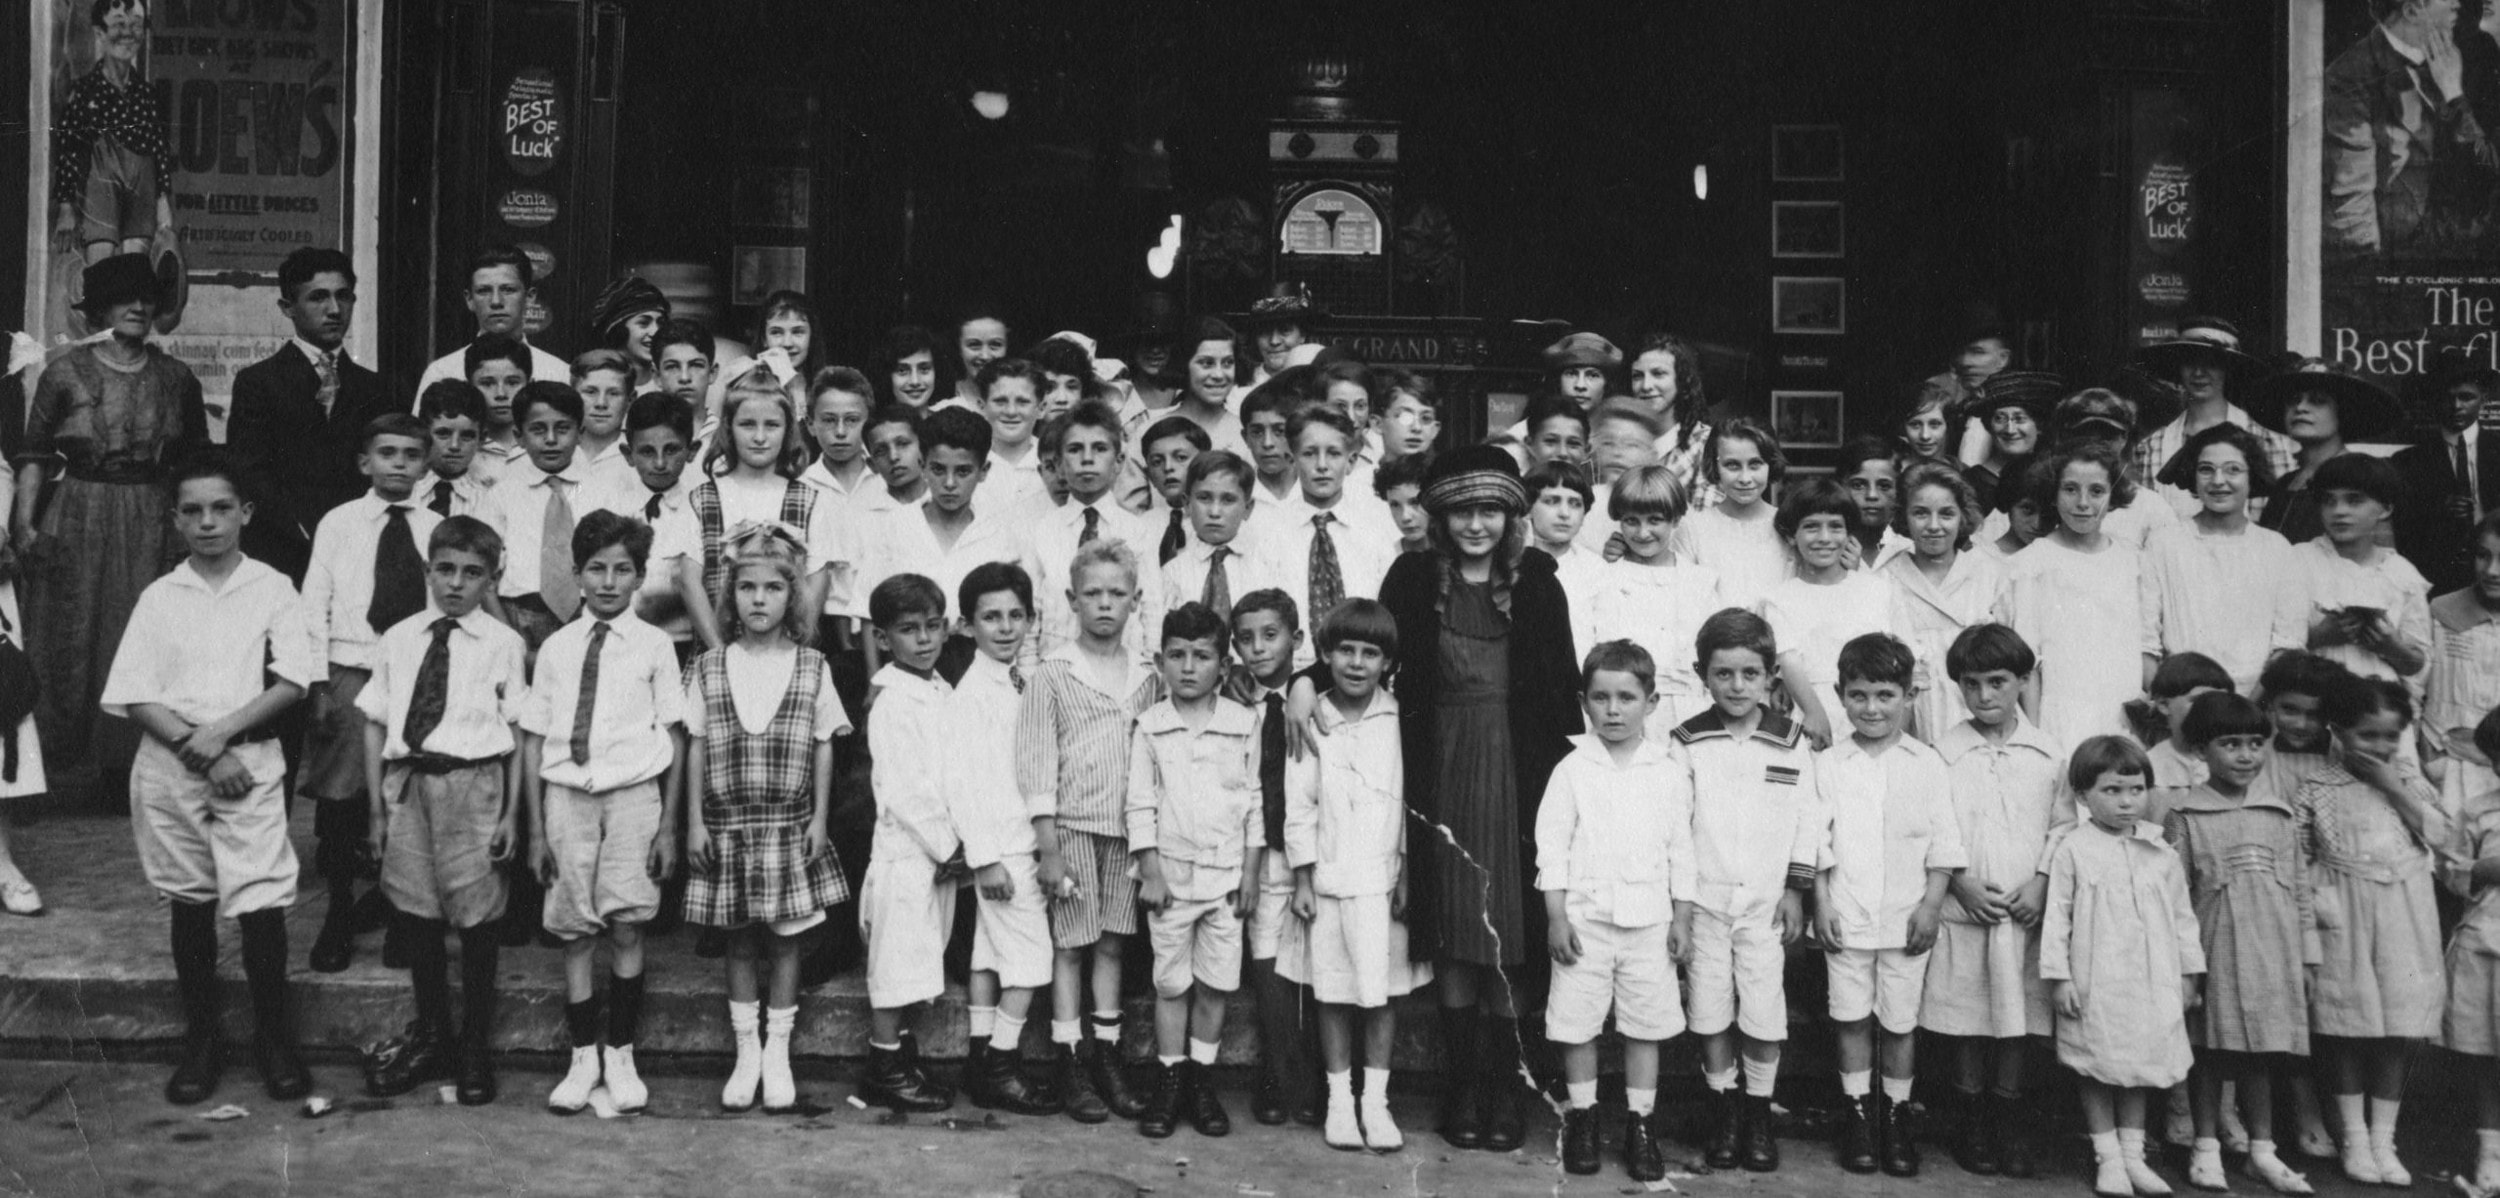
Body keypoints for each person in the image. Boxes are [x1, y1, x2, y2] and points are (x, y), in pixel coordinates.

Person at [1375, 445, 1581, 1154]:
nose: (1476, 524)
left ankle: (1505, 1088)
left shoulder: (1540, 581)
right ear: (1438, 516)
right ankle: (1463, 1084)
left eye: (1490, 509)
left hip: (1518, 774)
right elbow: (1369, 650)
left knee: (1511, 940)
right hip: (1441, 770)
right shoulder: (1410, 577)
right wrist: (1310, 676)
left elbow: (1560, 691)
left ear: (1512, 515)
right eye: (1461, 510)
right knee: (1457, 933)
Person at [101, 456, 313, 1104]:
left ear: (245, 512)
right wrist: (201, 749)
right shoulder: (162, 596)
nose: (208, 522)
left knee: (260, 902)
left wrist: (225, 736)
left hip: (246, 765)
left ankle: (273, 1038)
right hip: (172, 766)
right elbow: (136, 693)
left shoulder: (272, 586)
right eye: (192, 511)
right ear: (174, 520)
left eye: (221, 508)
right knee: (190, 902)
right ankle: (203, 1039)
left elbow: (294, 678)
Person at [16, 253, 208, 797]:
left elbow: (194, 464)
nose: (139, 307)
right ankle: (49, 770)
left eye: (147, 297)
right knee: (66, 635)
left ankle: (123, 769)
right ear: (99, 308)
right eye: (125, 297)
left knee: (135, 635)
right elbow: (34, 455)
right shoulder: (63, 373)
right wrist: (24, 529)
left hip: (150, 513)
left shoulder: (176, 377)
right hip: (76, 513)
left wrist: (188, 530)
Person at [354, 516, 529, 1106]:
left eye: (472, 573)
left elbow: (517, 730)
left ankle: (473, 1043)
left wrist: (509, 814)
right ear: (428, 570)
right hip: (408, 786)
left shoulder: (504, 644)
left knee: (476, 919)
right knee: (417, 914)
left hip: (473, 786)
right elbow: (375, 720)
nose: (456, 583)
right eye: (445, 569)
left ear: (491, 579)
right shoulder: (399, 638)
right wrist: (378, 810)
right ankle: (434, 1034)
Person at [682, 524, 854, 1114]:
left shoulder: (811, 665)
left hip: (788, 825)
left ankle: (778, 1053)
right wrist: (694, 824)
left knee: (786, 944)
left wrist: (818, 820)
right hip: (728, 826)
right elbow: (697, 745)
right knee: (737, 943)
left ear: (791, 597)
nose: (759, 599)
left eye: (773, 589)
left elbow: (824, 743)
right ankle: (746, 1052)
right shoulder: (710, 665)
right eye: (747, 589)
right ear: (731, 598)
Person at [522, 510, 684, 1116]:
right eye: (596, 569)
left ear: (641, 576)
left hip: (634, 795)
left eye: (623, 570)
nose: (609, 582)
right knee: (573, 926)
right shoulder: (557, 649)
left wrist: (668, 822)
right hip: (567, 797)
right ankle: (582, 1053)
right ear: (576, 574)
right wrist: (536, 828)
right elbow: (535, 738)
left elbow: (675, 733)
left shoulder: (655, 646)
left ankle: (621, 1051)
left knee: (628, 922)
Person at [1017, 538, 1163, 1124]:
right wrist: (1048, 845)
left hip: (1124, 834)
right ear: (1072, 600)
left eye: (1117, 594)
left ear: (1135, 601)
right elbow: (1035, 760)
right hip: (1072, 829)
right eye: (1093, 594)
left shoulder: (1150, 675)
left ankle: (1107, 1055)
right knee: (1071, 945)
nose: (1105, 604)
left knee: (1112, 943)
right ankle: (1070, 1057)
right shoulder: (1052, 673)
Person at [1538, 640, 1695, 1181]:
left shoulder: (1668, 770)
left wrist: (1682, 917)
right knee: (1578, 1023)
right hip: (1585, 922)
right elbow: (1551, 848)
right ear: (1585, 702)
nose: (1612, 710)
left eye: (1626, 697)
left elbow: (1682, 849)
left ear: (1650, 702)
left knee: (1644, 1027)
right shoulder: (1572, 768)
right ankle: (1583, 1117)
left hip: (1649, 922)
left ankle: (1640, 1124)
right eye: (1601, 698)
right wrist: (1557, 917)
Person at [1669, 607, 1819, 1173]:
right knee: (1708, 1012)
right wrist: (1679, 908)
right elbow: (1675, 827)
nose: (1737, 686)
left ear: (1771, 677)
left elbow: (1808, 818)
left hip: (1763, 906)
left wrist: (1795, 890)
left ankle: (1758, 1110)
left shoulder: (1790, 742)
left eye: (1750, 674)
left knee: (1762, 1012)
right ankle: (1723, 1108)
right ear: (1701, 673)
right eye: (1724, 674)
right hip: (1705, 904)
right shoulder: (1686, 741)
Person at [1814, 633, 1966, 1179]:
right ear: (1840, 695)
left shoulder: (1927, 763)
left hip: (1907, 916)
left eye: (1885, 694)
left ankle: (1895, 1115)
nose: (1872, 708)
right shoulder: (1829, 764)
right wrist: (1821, 904)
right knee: (1852, 1017)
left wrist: (1930, 906)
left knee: (1899, 1022)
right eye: (1858, 695)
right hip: (1848, 912)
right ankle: (1857, 1113)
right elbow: (1818, 841)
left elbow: (1944, 842)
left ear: (1909, 695)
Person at [2160, 692, 2322, 1196]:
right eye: (2230, 744)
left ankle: (2262, 1151)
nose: (2246, 755)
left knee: (2262, 1052)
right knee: (2210, 1051)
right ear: (2201, 751)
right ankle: (2205, 1148)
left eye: (2255, 743)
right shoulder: (2186, 814)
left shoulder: (2279, 815)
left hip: (2272, 952)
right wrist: (2187, 968)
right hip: (2214, 951)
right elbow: (2174, 899)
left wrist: (2307, 957)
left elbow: (2298, 891)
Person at [1921, 623, 2065, 1179]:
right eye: (1972, 684)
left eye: (1998, 682)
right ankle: (1972, 1118)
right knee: (1971, 1021)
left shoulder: (2049, 752)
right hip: (1969, 911)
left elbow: (2062, 825)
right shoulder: (1944, 752)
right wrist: (1959, 882)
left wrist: (2041, 884)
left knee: (2017, 1021)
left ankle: (2010, 1115)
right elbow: (1934, 825)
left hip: (2022, 913)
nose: (1985, 696)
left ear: (2023, 681)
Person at [298, 414, 440, 972]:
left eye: (411, 454)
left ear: (426, 464)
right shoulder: (340, 522)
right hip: (351, 668)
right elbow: (314, 602)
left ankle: (402, 913)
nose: (399, 463)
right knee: (343, 797)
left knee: (407, 794)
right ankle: (336, 912)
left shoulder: (437, 524)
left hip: (415, 675)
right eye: (387, 452)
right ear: (365, 462)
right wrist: (316, 681)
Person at [1284, 596, 1425, 1153]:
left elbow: (1412, 803)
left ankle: (1376, 1102)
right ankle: (1340, 1101)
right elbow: (1300, 804)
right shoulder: (1311, 715)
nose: (1358, 664)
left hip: (1383, 881)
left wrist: (1409, 874)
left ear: (1387, 662)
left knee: (1382, 994)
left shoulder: (1399, 718)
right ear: (1324, 655)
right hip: (1329, 882)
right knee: (1335, 994)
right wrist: (1301, 879)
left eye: (1371, 653)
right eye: (1346, 651)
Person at [2296, 675, 2449, 1187]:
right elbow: (2300, 858)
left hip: (2405, 913)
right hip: (2343, 914)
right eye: (2367, 736)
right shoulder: (2316, 787)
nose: (2380, 747)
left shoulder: (2410, 779)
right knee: (2346, 1029)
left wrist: (2392, 785)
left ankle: (2385, 1140)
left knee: (2397, 1029)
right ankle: (2354, 1140)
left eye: (2390, 736)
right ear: (2337, 731)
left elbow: (2445, 838)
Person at [2041, 735, 2202, 1198]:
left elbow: (2181, 918)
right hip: (2097, 979)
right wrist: (2059, 977)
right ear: (2084, 795)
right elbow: (2058, 917)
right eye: (2112, 791)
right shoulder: (2074, 848)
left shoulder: (2161, 851)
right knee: (2098, 1064)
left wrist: (2190, 975)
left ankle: (2134, 1156)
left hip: (2152, 980)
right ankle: (2108, 1158)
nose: (2127, 802)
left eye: (2135, 790)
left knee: (2139, 1065)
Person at [1125, 602, 1262, 1140]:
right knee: (1171, 985)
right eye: (1177, 656)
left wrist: (1250, 875)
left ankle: (1201, 1081)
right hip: (1172, 885)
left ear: (1222, 667)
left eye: (1201, 656)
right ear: (1160, 661)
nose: (1188, 668)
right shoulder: (1151, 726)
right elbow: (1139, 804)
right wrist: (1151, 871)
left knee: (1215, 985)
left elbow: (1254, 804)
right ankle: (1169, 1079)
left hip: (1226, 881)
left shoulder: (1242, 723)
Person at [939, 563, 1062, 1116]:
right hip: (1004, 849)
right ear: (967, 626)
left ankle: (978, 1053)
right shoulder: (974, 693)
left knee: (988, 957)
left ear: (1032, 620)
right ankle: (1001, 1067)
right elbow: (962, 784)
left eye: (1016, 616)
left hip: (1010, 841)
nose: (1006, 627)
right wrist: (986, 860)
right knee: (1033, 960)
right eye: (991, 617)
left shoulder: (1017, 678)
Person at [855, 573, 963, 1113]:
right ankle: (883, 1064)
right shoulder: (893, 702)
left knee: (923, 952)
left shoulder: (938, 688)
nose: (923, 639)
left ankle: (901, 1053)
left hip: (935, 856)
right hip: (906, 853)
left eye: (932, 626)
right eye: (907, 630)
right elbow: (907, 790)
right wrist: (950, 847)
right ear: (882, 638)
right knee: (896, 963)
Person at [226, 247, 393, 582]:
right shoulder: (259, 382)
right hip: (280, 552)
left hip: (356, 552)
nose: (334, 310)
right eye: (318, 298)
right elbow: (250, 471)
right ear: (288, 308)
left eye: (343, 296)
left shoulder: (376, 388)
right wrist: (304, 530)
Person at [663, 371, 839, 656]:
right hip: (716, 655)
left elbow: (817, 582)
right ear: (729, 428)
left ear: (787, 430)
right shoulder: (702, 499)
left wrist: (788, 654)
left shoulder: (809, 501)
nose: (759, 437)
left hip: (787, 657)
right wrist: (723, 656)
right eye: (747, 425)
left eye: (771, 425)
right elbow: (688, 581)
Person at [849, 406, 1029, 677]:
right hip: (909, 664)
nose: (949, 483)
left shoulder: (999, 534)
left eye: (963, 471)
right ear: (922, 464)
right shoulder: (894, 526)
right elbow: (866, 610)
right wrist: (874, 681)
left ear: (984, 471)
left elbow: (1017, 613)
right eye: (938, 469)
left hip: (980, 664)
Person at [2324, 0, 2496, 261]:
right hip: (2394, 263)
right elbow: (2350, 205)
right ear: (2412, 10)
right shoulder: (2350, 75)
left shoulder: (2461, 57)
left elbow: (2485, 172)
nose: (2457, 4)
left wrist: (2453, 94)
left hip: (2462, 251)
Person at [2141, 424, 2306, 695]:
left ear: (2252, 476)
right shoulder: (2165, 543)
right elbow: (2145, 641)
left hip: (2255, 705)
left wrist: (2250, 709)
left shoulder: (2276, 549)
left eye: (2233, 469)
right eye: (2206, 469)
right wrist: (2171, 705)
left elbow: (2288, 645)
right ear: (2193, 476)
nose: (2218, 481)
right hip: (2183, 700)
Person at [1228, 588, 1309, 1127]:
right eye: (1246, 640)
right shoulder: (1233, 700)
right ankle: (1277, 1073)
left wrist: (1306, 683)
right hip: (1256, 850)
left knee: (1312, 965)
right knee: (1266, 966)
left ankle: (1315, 1076)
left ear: (1296, 640)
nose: (1258, 649)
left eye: (1270, 636)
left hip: (1308, 854)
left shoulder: (1316, 694)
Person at [2009, 443, 2147, 746]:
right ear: (2053, 493)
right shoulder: (2032, 563)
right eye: (2070, 489)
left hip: (2122, 710)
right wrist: (2037, 738)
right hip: (2062, 716)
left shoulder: (2131, 560)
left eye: (2096, 491)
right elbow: (2028, 662)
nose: (2083, 502)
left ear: (2113, 496)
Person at [1759, 477, 1894, 749]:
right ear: (1790, 535)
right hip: (1809, 705)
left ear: (1849, 534)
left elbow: (1895, 658)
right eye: (1811, 527)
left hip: (1869, 707)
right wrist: (1814, 712)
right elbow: (1789, 660)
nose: (1824, 538)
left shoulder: (1876, 590)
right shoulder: (1780, 598)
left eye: (1835, 527)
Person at [1262, 405, 1399, 668]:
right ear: (1292, 459)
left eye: (1334, 454)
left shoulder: (1374, 531)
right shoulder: (1271, 534)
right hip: (1292, 671)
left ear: (1350, 462)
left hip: (1362, 672)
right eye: (1310, 454)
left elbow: (1388, 611)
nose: (1322, 465)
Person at [1588, 465, 1722, 734]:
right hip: (1623, 715)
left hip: (1690, 712)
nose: (1642, 532)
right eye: (1631, 521)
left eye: (1655, 520)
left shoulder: (1700, 582)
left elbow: (1716, 654)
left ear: (1675, 519)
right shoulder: (1604, 578)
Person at [1027, 401, 1163, 664]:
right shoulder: (1043, 531)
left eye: (1099, 449)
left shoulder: (1137, 531)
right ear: (1059, 462)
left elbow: (1152, 609)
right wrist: (1030, 673)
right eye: (1075, 449)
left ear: (1119, 460)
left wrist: (1149, 672)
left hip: (1125, 669)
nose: (1087, 459)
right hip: (1056, 669)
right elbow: (1030, 611)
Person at [1884, 462, 2008, 739]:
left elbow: (2015, 662)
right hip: (1917, 714)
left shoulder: (1989, 574)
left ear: (1963, 516)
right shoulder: (1887, 577)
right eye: (1920, 514)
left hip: (1981, 709)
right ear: (1903, 516)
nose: (1934, 526)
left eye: (1947, 514)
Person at [2132, 317, 2300, 518]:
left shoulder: (2269, 442)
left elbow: (2278, 521)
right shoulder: (2151, 448)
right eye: (2190, 362)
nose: (2199, 373)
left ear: (2228, 368)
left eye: (2211, 363)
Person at [2291, 453, 2432, 689]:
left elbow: (2420, 667)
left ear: (2385, 509)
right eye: (2329, 501)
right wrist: (2321, 636)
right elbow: (2272, 642)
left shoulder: (2402, 574)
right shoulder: (2299, 560)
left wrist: (2390, 646)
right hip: (2313, 698)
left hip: (2379, 706)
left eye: (2354, 500)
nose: (2339, 511)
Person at [50, 0, 173, 266]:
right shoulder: (84, 92)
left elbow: (159, 152)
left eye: (137, 25)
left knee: (134, 273)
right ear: (100, 34)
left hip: (140, 196)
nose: (128, 34)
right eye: (119, 24)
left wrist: (163, 204)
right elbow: (69, 150)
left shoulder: (148, 96)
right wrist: (65, 206)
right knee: (101, 276)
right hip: (98, 195)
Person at [581, 393, 700, 657]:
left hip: (682, 644)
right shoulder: (610, 510)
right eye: (647, 451)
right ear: (628, 453)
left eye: (671, 450)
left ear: (692, 451)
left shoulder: (701, 510)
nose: (659, 463)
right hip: (621, 643)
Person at [478, 381, 592, 656]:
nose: (551, 440)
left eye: (563, 429)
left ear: (581, 433)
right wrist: (510, 642)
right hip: (518, 616)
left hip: (588, 615)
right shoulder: (500, 496)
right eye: (538, 430)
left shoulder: (602, 492)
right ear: (518, 435)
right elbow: (483, 574)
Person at [2249, 359, 2409, 545]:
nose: (2300, 408)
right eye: (2294, 400)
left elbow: (2380, 559)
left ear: (2342, 412)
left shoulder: (2364, 476)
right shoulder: (2285, 483)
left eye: (2317, 401)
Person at [2440, 707, 2500, 1195]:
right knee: (2480, 1046)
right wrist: (2486, 870)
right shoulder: (2479, 809)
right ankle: (2491, 1148)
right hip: (2486, 939)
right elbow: (2454, 875)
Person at [2394, 350, 2500, 594]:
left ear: (2483, 398)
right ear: (2433, 399)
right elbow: (2403, 534)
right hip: (2437, 580)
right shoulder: (2408, 462)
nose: (2456, 406)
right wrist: (2438, 512)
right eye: (2446, 397)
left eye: (2466, 397)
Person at [414, 246, 571, 394]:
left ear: (529, 297)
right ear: (469, 299)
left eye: (508, 290)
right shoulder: (442, 373)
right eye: (484, 291)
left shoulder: (558, 373)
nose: (496, 301)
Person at [1159, 452, 1280, 642]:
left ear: (1247, 508)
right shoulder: (1173, 573)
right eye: (1204, 498)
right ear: (1187, 504)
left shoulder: (1268, 566)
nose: (1215, 512)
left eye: (1228, 500)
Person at [1672, 418, 1791, 611]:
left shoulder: (1787, 525)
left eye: (1755, 464)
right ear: (1715, 466)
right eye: (1732, 465)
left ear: (1771, 464)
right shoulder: (1694, 527)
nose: (1745, 478)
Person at [2428, 512, 2500, 813]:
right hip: (2450, 767)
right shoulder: (2441, 611)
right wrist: (2431, 756)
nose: (2493, 570)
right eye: (2483, 556)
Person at [1524, 462, 1602, 664]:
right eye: (1552, 501)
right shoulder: (1511, 561)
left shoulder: (1596, 570)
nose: (1565, 513)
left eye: (1575, 504)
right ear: (1529, 508)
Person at [1625, 331, 1717, 498]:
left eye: (1658, 374)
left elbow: (1707, 520)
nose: (1646, 385)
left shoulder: (1705, 445)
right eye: (1637, 376)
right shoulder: (1622, 442)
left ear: (1681, 380)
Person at [1963, 371, 2060, 513]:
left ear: (2039, 426)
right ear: (1989, 426)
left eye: (2020, 419)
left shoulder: (2054, 477)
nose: (2010, 430)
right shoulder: (1968, 483)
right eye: (1999, 419)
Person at [2142, 653, 2234, 794]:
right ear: (2164, 705)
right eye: (2199, 700)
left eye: (2221, 701)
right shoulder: (2149, 765)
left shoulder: (2233, 761)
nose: (2212, 709)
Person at [976, 359, 1052, 519]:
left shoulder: (1055, 463)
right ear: (981, 407)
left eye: (1023, 402)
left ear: (1042, 408)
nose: (1010, 411)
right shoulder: (969, 464)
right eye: (1000, 401)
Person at [458, 334, 533, 488]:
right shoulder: (458, 448)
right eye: (487, 383)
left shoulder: (547, 444)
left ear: (530, 385)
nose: (501, 394)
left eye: (512, 383)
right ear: (469, 387)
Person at [415, 380, 494, 519]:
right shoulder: (404, 492)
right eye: (443, 434)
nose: (454, 446)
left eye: (467, 436)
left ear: (481, 439)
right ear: (423, 434)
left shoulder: (489, 502)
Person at [1138, 415, 1212, 560]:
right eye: (1157, 462)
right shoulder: (1142, 526)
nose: (1168, 468)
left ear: (1205, 463)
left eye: (1181, 457)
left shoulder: (1218, 521)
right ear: (1149, 476)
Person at [1173, 319, 1250, 457]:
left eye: (1228, 363)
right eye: (1207, 363)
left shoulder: (1247, 434)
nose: (1219, 375)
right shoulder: (1150, 428)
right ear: (1184, 366)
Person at [1836, 435, 1910, 569]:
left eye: (1884, 486)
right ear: (1840, 488)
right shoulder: (1828, 551)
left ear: (1898, 492)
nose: (1872, 495)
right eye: (1858, 485)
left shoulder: (1910, 551)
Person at [570, 349, 637, 496]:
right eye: (590, 392)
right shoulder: (555, 451)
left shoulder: (639, 459)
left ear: (630, 400)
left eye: (613, 393)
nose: (601, 403)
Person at [587, 275, 671, 393]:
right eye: (644, 323)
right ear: (617, 329)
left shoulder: (670, 384)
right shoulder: (589, 382)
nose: (655, 332)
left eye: (660, 323)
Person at [1239, 284, 1320, 394]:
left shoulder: (1320, 383)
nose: (1274, 341)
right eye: (1265, 331)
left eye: (1285, 330)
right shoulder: (1239, 386)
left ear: (1302, 335)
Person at [944, 307, 1013, 409]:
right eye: (974, 345)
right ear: (959, 348)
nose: (985, 356)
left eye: (995, 345)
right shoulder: (945, 403)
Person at [1374, 451, 1434, 556]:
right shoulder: (1386, 558)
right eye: (1395, 505)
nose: (1405, 517)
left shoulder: (1461, 553)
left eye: (1415, 502)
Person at [876, 324, 944, 410]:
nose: (915, 381)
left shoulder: (951, 423)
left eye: (924, 369)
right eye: (902, 371)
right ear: (887, 375)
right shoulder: (875, 423)